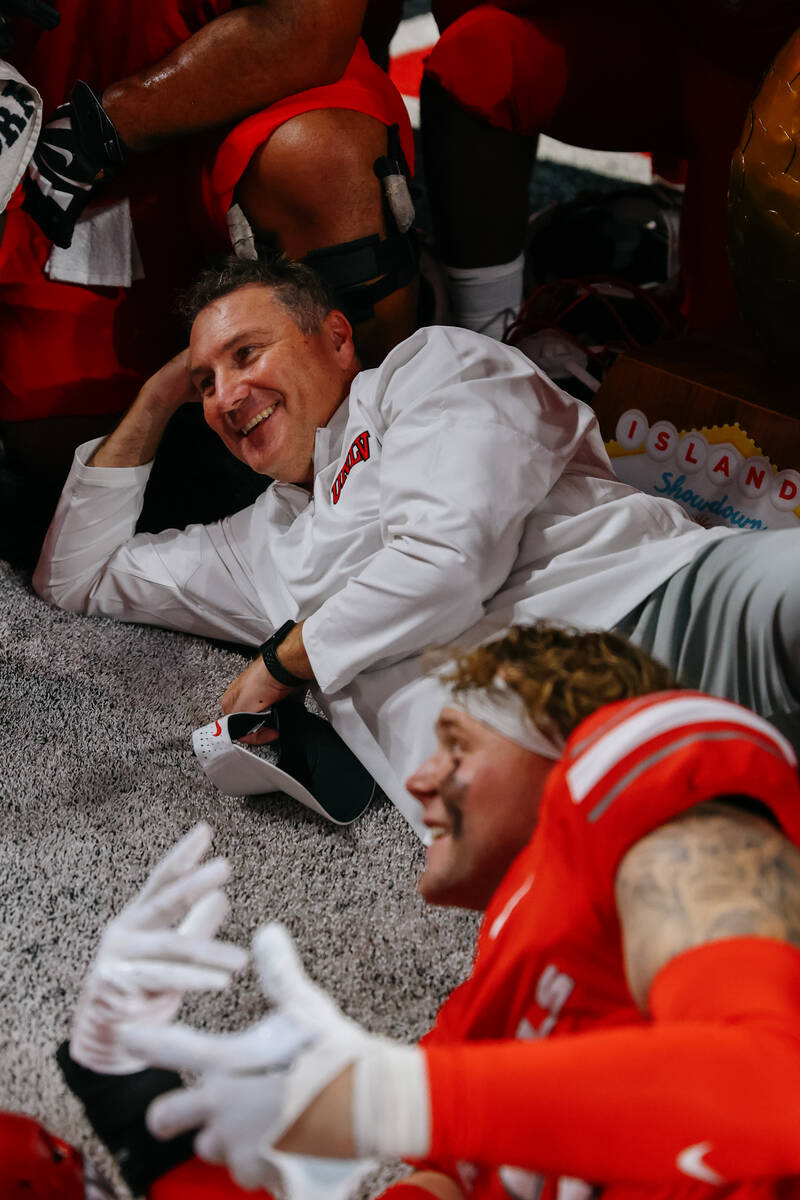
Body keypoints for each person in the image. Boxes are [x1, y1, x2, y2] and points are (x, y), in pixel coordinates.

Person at [33, 257, 800, 834]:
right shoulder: (252, 545)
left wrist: (284, 660)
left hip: (671, 609)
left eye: (246, 355)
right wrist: (156, 397)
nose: (226, 396)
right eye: (204, 382)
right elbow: (74, 578)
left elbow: (449, 559)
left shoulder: (430, 367)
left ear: (336, 339)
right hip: (541, 768)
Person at [78, 623, 800, 1198]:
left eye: (455, 745)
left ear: (566, 739)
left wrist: (383, 1098)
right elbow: (444, 1174)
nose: (420, 778)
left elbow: (777, 1082)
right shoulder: (490, 993)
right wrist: (120, 1076)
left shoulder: (632, 773)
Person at [0, 0, 416, 563]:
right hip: (56, 99)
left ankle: (380, 478)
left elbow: (310, 29)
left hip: (247, 88)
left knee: (323, 163)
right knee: (56, 444)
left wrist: (113, 120)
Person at [420, 0, 800, 339]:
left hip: (775, 79)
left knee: (729, 348)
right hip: (678, 44)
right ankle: (486, 347)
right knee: (476, 59)